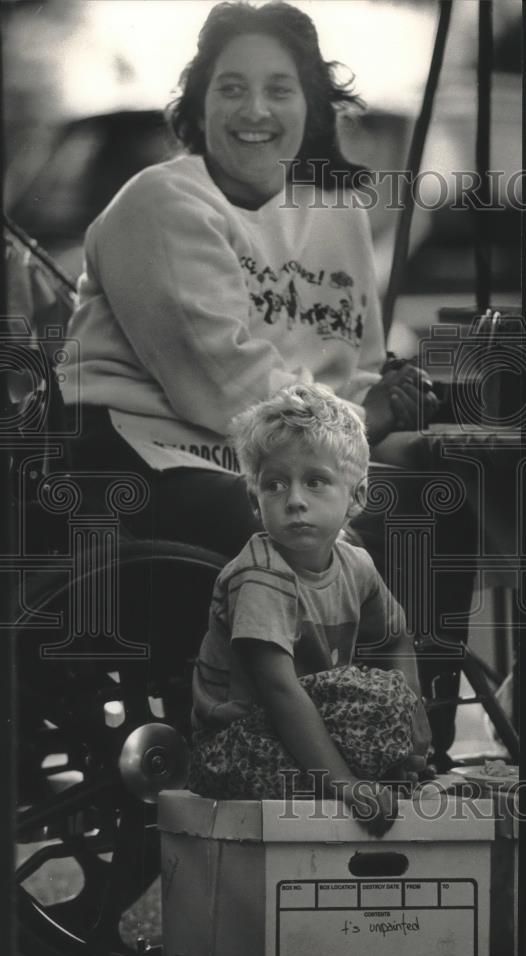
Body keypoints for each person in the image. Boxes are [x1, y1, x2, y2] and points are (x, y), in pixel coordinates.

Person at [59, 0, 473, 768]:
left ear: (312, 104)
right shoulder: (161, 203)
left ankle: (415, 744)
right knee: (278, 525)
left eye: (280, 89)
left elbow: (355, 362)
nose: (256, 110)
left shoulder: (335, 209)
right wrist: (362, 419)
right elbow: (223, 385)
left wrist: (398, 402)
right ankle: (300, 752)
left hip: (298, 451)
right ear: (199, 103)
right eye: (231, 88)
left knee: (438, 479)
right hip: (147, 450)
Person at [188, 383, 431, 834]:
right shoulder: (259, 573)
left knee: (388, 695)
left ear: (355, 497)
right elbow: (278, 690)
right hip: (237, 746)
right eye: (275, 485)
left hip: (301, 724)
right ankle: (345, 784)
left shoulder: (355, 564)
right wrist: (346, 786)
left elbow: (397, 635)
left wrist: (414, 722)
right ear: (255, 502)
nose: (294, 500)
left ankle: (367, 778)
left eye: (315, 481)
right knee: (372, 699)